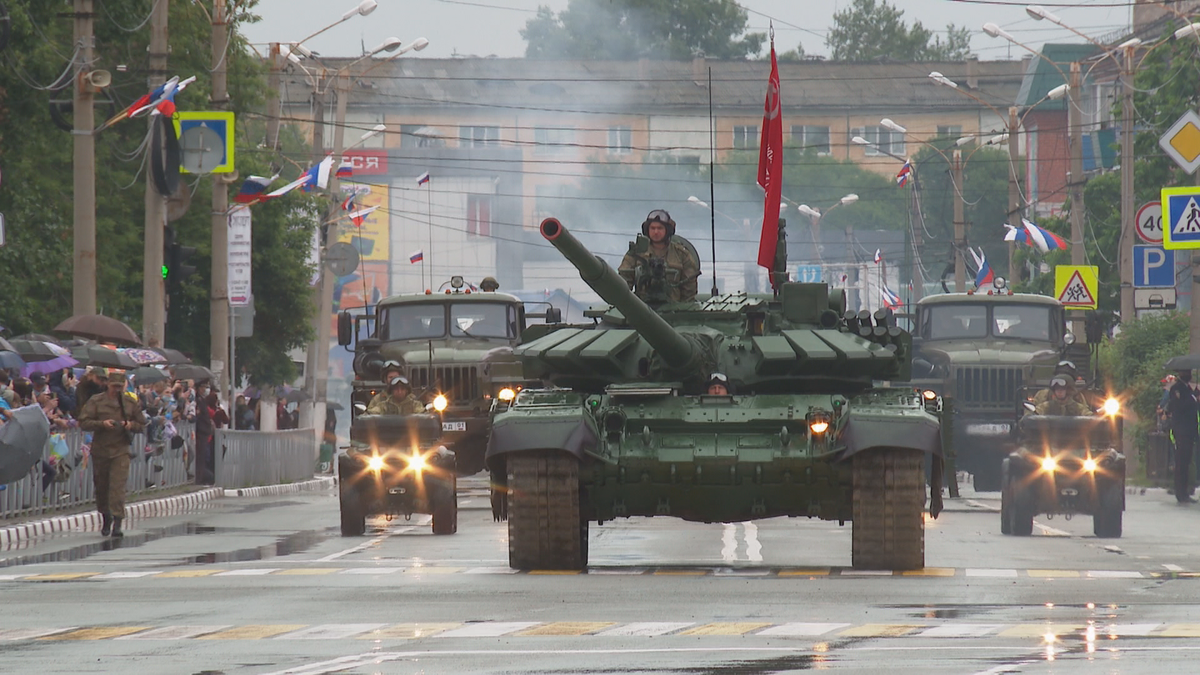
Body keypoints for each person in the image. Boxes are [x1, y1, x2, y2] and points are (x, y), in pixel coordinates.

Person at [77, 371, 147, 537]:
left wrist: (129, 424)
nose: (117, 390)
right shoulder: (96, 401)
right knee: (102, 487)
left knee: (117, 487)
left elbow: (142, 424)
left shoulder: (129, 402)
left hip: (120, 450)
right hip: (101, 449)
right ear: (108, 384)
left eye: (120, 386)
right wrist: (102, 424)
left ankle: (117, 521)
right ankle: (105, 516)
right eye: (114, 386)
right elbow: (84, 422)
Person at [617, 209, 700, 303]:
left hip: (675, 310)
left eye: (660, 228)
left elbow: (689, 289)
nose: (656, 232)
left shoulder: (681, 254)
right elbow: (624, 281)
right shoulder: (637, 253)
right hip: (642, 309)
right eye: (652, 228)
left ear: (667, 230)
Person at [1167, 369, 1200, 504]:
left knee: (1186, 462)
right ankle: (1180, 493)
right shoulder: (1177, 389)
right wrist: (1194, 400)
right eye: (1186, 373)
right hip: (1181, 431)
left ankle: (1185, 491)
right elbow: (1178, 407)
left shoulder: (1189, 390)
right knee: (1181, 463)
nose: (1189, 375)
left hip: (1191, 431)